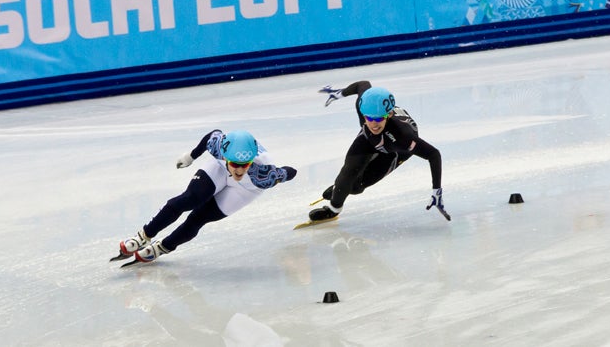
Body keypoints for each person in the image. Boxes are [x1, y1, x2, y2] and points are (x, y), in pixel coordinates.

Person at [117, 129, 296, 264]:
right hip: (219, 169)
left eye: (245, 165)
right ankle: (143, 235)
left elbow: (291, 171)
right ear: (226, 157)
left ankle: (162, 247)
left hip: (247, 189)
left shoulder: (263, 175)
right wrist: (191, 156)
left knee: (199, 218)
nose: (240, 170)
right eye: (235, 164)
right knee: (190, 199)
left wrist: (278, 174)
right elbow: (212, 134)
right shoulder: (219, 146)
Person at [309, 81, 449, 222]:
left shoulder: (403, 136)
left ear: (387, 115)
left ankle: (339, 189)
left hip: (395, 150)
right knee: (346, 175)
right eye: (369, 118)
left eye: (379, 118)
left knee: (356, 187)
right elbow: (362, 84)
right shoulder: (364, 106)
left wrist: (436, 191)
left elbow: (433, 154)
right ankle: (333, 210)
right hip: (368, 140)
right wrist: (339, 94)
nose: (374, 124)